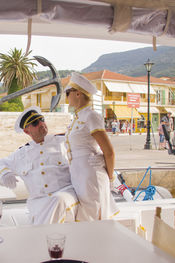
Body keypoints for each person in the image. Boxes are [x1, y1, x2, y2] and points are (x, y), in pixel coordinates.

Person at [0, 106, 82, 225]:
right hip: (39, 203)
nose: (41, 123)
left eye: (42, 119)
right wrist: (4, 174)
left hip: (67, 195)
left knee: (58, 200)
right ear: (26, 131)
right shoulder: (22, 154)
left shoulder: (63, 142)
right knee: (50, 210)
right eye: (35, 123)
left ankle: (41, 238)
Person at [64, 72, 119, 221]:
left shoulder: (91, 116)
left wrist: (110, 177)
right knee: (85, 219)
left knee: (94, 219)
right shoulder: (77, 118)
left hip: (91, 176)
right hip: (79, 176)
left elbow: (109, 152)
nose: (66, 96)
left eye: (68, 93)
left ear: (78, 94)